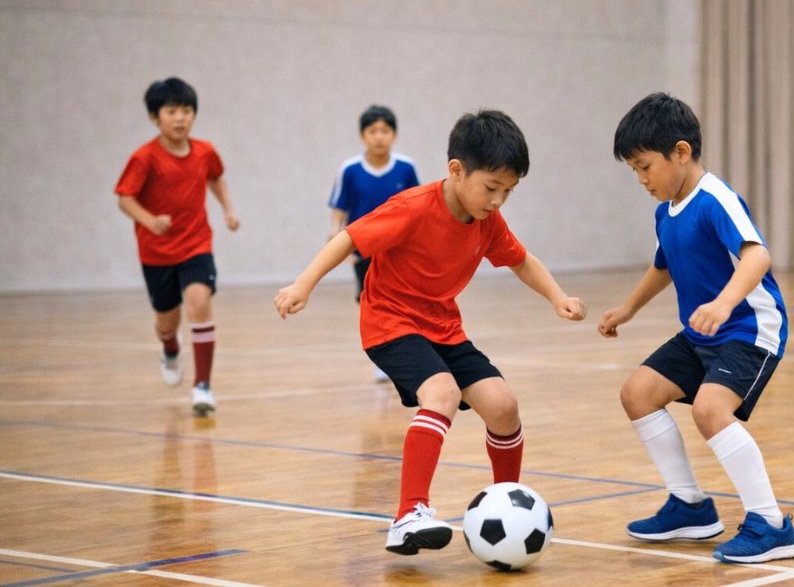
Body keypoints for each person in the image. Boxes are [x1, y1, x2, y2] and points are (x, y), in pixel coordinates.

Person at [274, 109, 586, 555]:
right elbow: (348, 238)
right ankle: (407, 515)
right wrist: (303, 283)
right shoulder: (413, 207)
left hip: (443, 326)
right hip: (389, 320)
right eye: (492, 188)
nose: (498, 201)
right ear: (457, 171)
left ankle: (506, 505)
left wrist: (557, 297)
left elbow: (521, 259)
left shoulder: (487, 222)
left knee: (503, 406)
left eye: (509, 191)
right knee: (440, 393)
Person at [598, 93, 794, 564]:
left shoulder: (715, 199)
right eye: (634, 170)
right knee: (638, 393)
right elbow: (663, 266)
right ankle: (689, 506)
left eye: (646, 166)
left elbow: (757, 255)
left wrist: (725, 302)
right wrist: (628, 309)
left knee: (710, 410)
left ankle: (771, 524)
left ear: (682, 152)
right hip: (701, 334)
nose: (642, 179)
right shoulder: (665, 210)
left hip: (749, 329)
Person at [114, 77, 239, 416]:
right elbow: (125, 198)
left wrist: (228, 209)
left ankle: (203, 386)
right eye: (172, 111)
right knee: (167, 323)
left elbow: (214, 177)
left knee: (199, 303)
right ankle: (170, 347)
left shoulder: (205, 151)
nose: (180, 118)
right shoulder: (144, 158)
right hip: (156, 252)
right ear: (156, 117)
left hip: (197, 243)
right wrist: (149, 220)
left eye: (186, 110)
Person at [328, 105, 420, 381]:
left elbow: (418, 205)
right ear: (362, 135)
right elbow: (339, 208)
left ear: (394, 134)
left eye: (385, 130)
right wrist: (336, 237)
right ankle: (384, 354)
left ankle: (406, 349)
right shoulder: (350, 170)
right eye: (373, 131)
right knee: (371, 302)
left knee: (403, 300)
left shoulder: (406, 168)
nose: (379, 136)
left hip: (399, 250)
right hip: (364, 249)